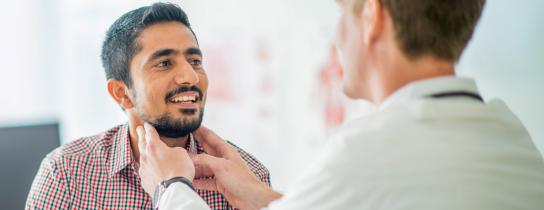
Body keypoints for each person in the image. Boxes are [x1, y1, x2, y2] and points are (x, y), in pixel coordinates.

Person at [137, 0, 544, 209]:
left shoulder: (371, 153)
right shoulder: (512, 141)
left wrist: (170, 188)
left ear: (372, 17)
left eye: (341, 15)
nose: (338, 36)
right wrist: (265, 198)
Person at [25, 3, 271, 210]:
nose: (191, 77)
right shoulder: (67, 173)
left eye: (195, 60)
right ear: (122, 93)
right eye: (164, 63)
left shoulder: (248, 178)